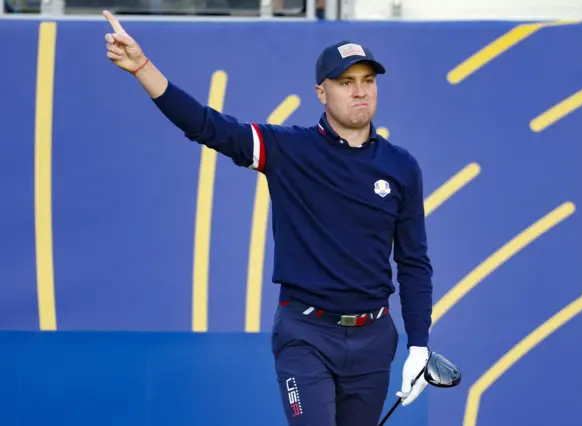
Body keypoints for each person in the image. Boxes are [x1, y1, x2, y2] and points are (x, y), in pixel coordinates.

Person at [103, 10, 434, 425]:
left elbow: (414, 263)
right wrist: (142, 69)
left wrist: (418, 346)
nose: (359, 92)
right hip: (307, 335)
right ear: (321, 92)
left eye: (368, 81)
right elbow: (206, 125)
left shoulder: (401, 167)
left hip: (373, 339)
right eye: (346, 82)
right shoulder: (288, 149)